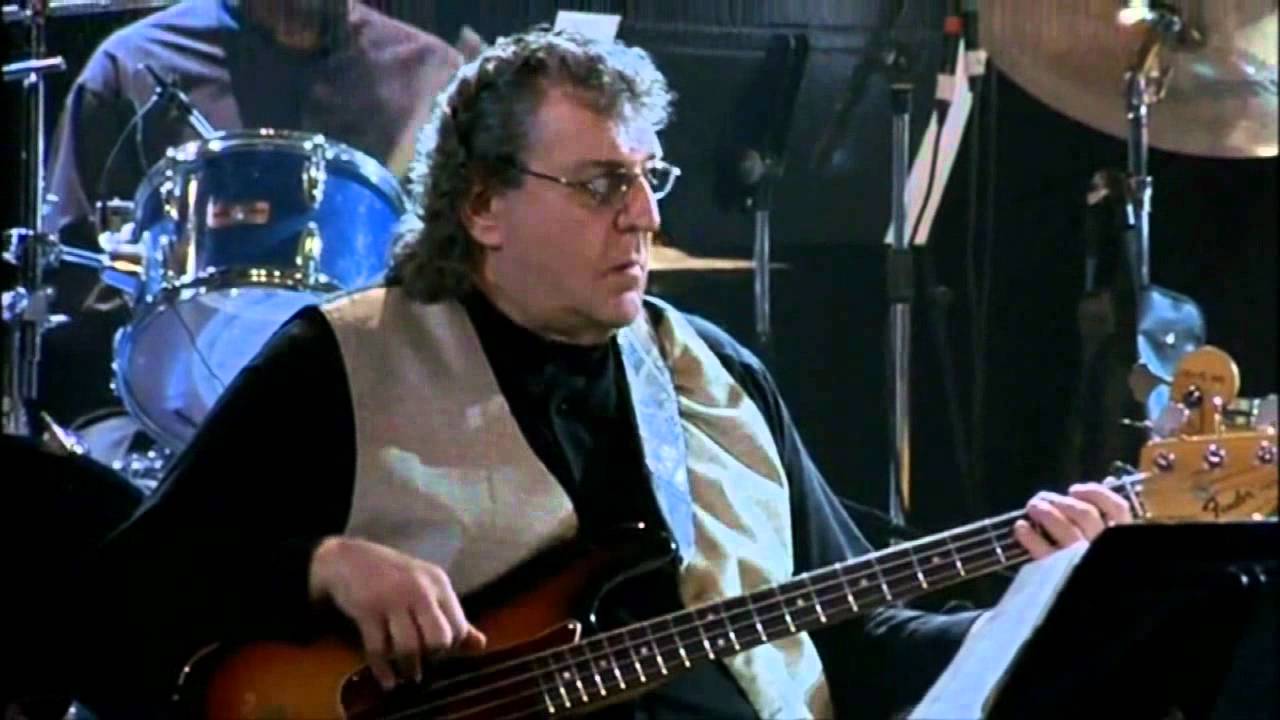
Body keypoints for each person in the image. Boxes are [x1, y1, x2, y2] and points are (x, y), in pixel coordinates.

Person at [68, 27, 1133, 719]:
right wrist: (322, 563)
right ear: (482, 206)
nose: (647, 215)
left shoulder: (715, 376)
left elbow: (855, 640)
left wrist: (1036, 601)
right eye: (599, 185)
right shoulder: (341, 360)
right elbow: (117, 602)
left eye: (646, 176)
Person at [36, 0, 464, 433]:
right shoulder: (131, 65)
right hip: (169, 422)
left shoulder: (433, 78)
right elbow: (71, 282)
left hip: (388, 417)